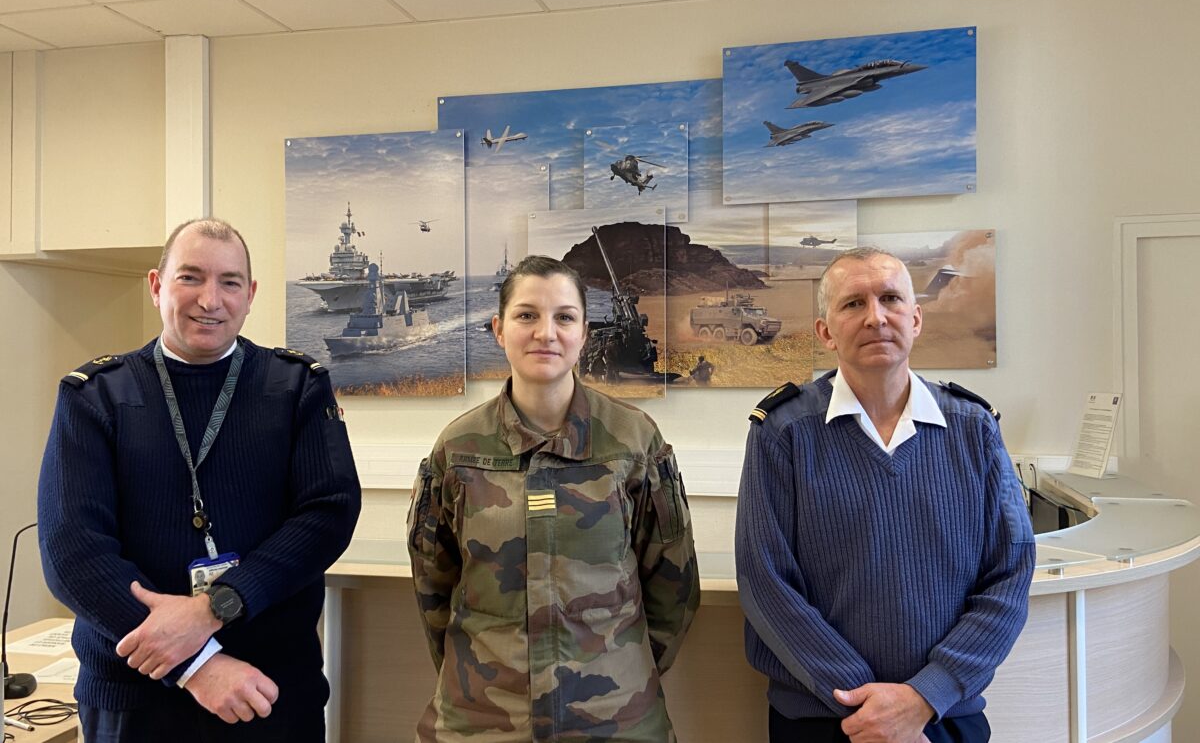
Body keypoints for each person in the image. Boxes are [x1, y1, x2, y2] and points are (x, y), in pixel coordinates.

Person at [37, 218, 362, 742]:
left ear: (250, 294)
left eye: (229, 282)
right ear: (156, 285)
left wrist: (217, 606)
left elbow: (327, 514)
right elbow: (72, 552)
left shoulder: (297, 387)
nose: (210, 299)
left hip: (270, 692)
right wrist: (198, 665)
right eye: (190, 278)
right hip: (134, 700)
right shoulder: (95, 396)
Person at [735, 247, 1035, 743]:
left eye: (891, 299)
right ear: (825, 332)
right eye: (853, 304)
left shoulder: (974, 428)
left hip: (943, 715)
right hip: (821, 719)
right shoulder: (782, 433)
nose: (875, 317)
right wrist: (870, 707)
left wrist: (922, 698)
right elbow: (765, 582)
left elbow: (1010, 573)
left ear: (915, 319)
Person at [408, 255, 699, 741]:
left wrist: (620, 667)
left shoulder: (634, 440)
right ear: (499, 329)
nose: (546, 332)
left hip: (614, 718)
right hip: (484, 718)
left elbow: (674, 587)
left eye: (564, 317)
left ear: (585, 333)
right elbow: (433, 586)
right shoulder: (458, 447)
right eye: (527, 316)